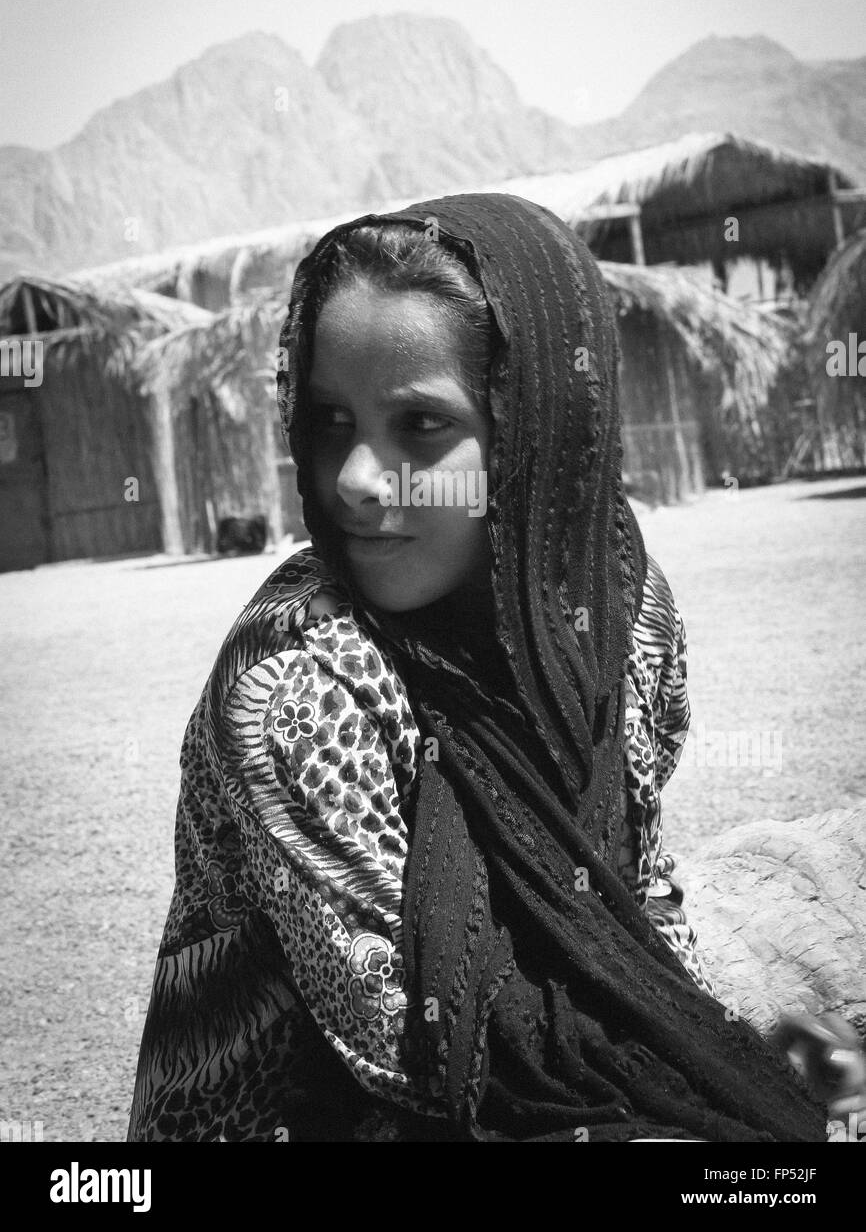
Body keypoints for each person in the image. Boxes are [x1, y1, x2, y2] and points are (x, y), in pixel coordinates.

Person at [128, 193, 830, 1142]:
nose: (355, 482)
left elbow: (640, 893)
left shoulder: (624, 613)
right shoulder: (296, 680)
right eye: (331, 419)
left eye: (420, 425)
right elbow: (413, 1046)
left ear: (534, 430)